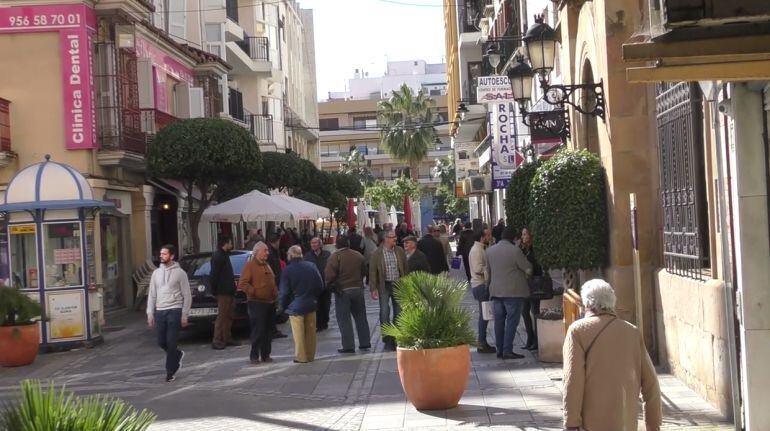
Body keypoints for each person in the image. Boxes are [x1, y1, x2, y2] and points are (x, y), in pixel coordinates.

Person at [563, 279, 662, 431]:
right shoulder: (632, 331)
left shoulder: (578, 331)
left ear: (587, 303)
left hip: (592, 423)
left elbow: (573, 380)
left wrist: (571, 422)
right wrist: (653, 423)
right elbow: (651, 383)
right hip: (626, 422)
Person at [147, 244, 191, 382]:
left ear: (172, 256)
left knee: (171, 341)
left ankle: (170, 371)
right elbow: (152, 294)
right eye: (161, 254)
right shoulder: (156, 273)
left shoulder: (180, 273)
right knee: (161, 341)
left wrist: (184, 314)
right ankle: (177, 355)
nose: (161, 256)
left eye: (165, 254)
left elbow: (187, 294)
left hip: (174, 309)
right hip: (160, 310)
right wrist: (150, 313)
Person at [486, 227, 532, 360]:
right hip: (513, 292)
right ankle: (507, 350)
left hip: (495, 291)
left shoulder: (490, 251)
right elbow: (527, 268)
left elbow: (488, 272)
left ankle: (499, 349)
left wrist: (487, 287)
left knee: (498, 322)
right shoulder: (515, 250)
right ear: (514, 238)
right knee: (512, 321)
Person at [324, 236, 371, 353]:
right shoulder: (358, 255)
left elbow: (329, 275)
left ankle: (348, 345)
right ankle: (365, 342)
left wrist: (330, 284)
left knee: (344, 319)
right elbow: (364, 271)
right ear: (348, 243)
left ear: (336, 245)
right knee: (361, 317)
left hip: (343, 291)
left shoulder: (335, 257)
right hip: (358, 289)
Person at [279, 245, 324, 363]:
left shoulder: (287, 270)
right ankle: (310, 355)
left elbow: (284, 292)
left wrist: (282, 306)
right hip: (311, 303)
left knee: (298, 333)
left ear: (289, 256)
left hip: (295, 305)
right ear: (301, 255)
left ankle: (301, 357)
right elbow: (320, 285)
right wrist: (314, 297)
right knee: (311, 332)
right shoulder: (311, 266)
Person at [239, 242, 278, 365]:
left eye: (267, 250)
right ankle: (254, 355)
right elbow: (243, 284)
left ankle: (266, 355)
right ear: (257, 252)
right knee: (258, 330)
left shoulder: (266, 265)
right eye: (265, 250)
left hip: (270, 302)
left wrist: (275, 293)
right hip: (257, 303)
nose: (267, 252)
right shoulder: (250, 266)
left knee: (268, 330)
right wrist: (254, 292)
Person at [369, 229, 407, 351]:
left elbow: (405, 268)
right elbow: (373, 271)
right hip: (384, 285)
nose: (395, 239)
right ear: (385, 238)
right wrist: (373, 288)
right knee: (384, 311)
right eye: (392, 237)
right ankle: (387, 337)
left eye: (395, 236)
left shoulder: (399, 251)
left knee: (399, 311)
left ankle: (397, 336)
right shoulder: (377, 253)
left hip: (398, 284)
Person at [210, 235, 240, 350]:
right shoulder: (218, 256)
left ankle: (227, 337)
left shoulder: (225, 255)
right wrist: (214, 290)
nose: (231, 245)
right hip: (222, 291)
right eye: (230, 243)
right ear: (226, 243)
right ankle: (217, 339)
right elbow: (214, 275)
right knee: (222, 316)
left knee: (228, 316)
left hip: (229, 290)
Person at [469, 228, 495, 354]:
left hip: (480, 285)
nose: (490, 237)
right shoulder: (477, 250)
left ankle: (482, 342)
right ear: (482, 237)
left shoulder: (480, 249)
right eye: (488, 235)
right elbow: (478, 269)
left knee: (484, 315)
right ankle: (481, 343)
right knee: (484, 316)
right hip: (480, 285)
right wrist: (489, 270)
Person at [520, 227, 543, 350]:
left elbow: (536, 268)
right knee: (524, 312)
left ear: (530, 235)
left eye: (525, 234)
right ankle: (530, 338)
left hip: (534, 284)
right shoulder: (523, 249)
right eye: (522, 234)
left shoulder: (534, 250)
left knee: (535, 312)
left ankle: (537, 341)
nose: (523, 237)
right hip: (524, 285)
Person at [304, 237, 331, 332]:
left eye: (315, 243)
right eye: (312, 243)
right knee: (317, 305)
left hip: (326, 283)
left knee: (326, 305)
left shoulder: (327, 254)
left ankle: (325, 321)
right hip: (314, 285)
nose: (313, 245)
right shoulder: (307, 256)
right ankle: (319, 324)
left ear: (320, 244)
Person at [267, 233, 288, 339]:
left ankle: (273, 329)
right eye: (279, 241)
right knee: (273, 308)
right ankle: (272, 330)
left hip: (276, 281)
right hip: (273, 283)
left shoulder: (273, 251)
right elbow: (271, 269)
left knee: (274, 308)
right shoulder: (270, 253)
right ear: (276, 241)